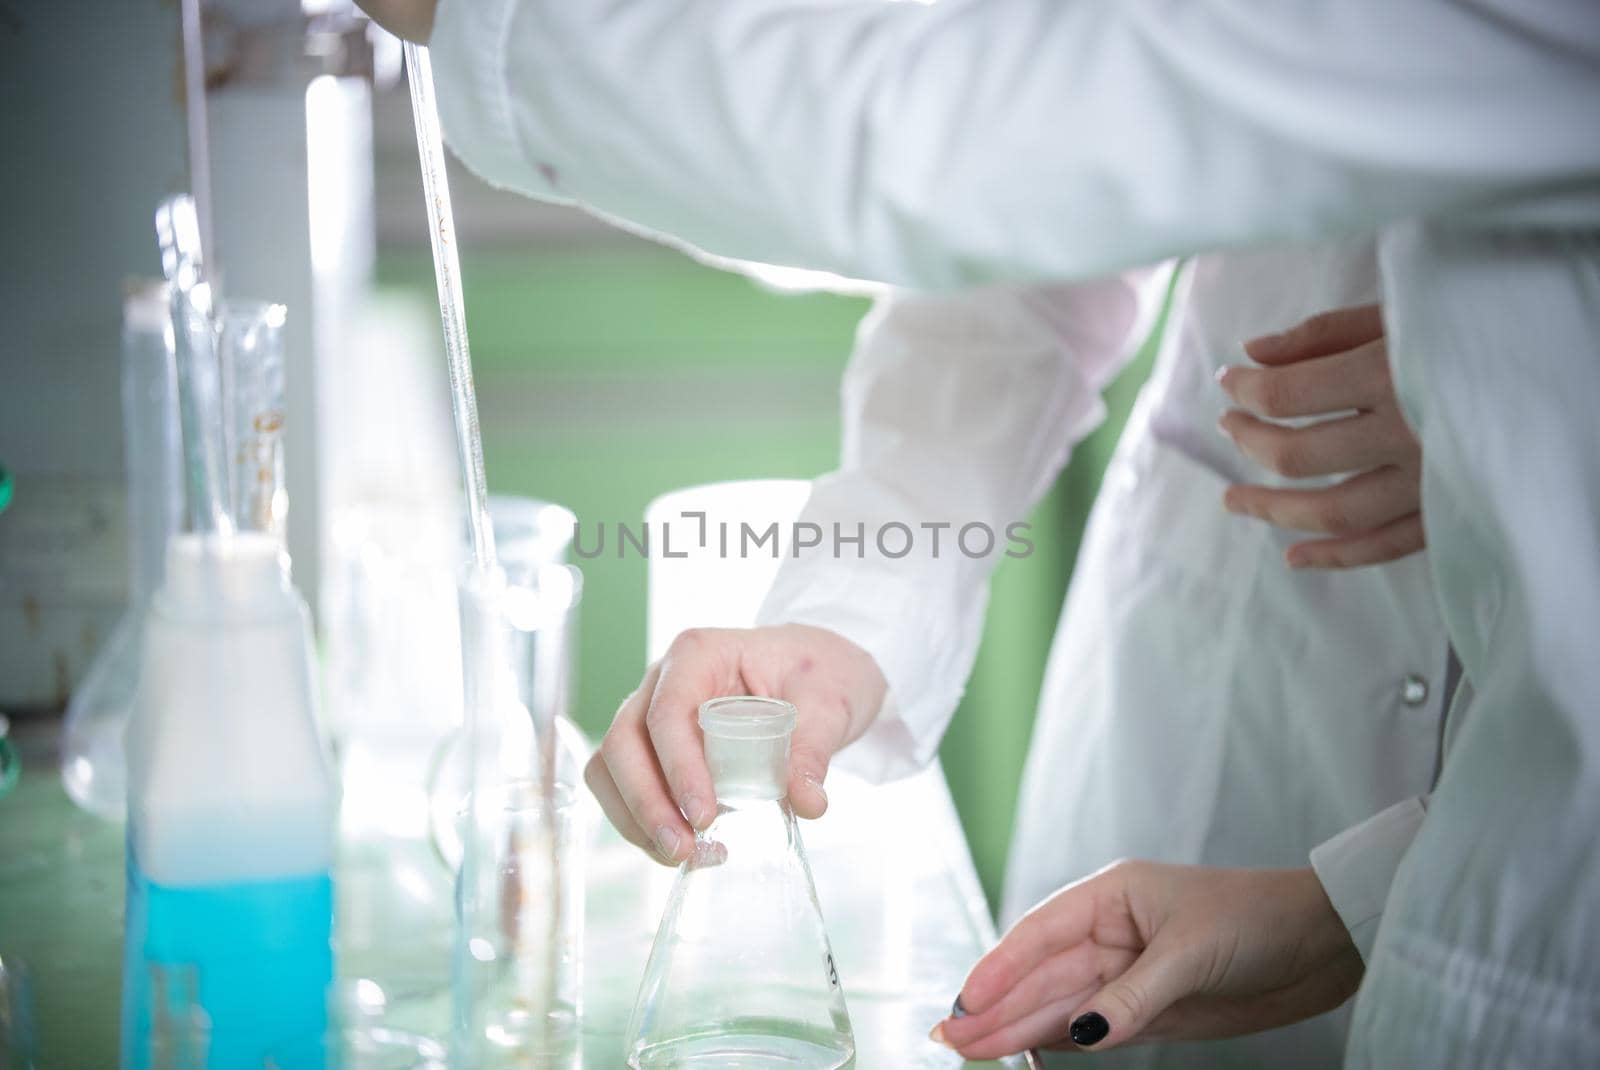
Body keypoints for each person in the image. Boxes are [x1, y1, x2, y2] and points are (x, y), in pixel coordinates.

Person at [360, 0, 1600, 1062]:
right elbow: (1046, 217)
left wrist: (1526, 387)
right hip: (1211, 727)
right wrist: (853, 610)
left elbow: (1003, 119)